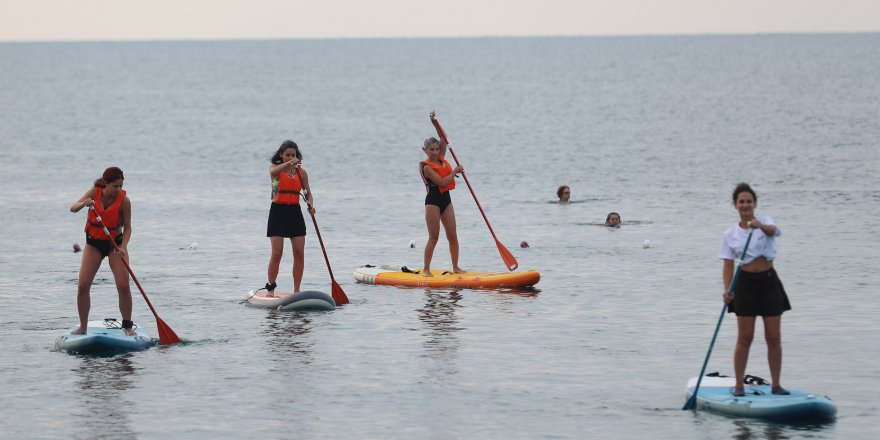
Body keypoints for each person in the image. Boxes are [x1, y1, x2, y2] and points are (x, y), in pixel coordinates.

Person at [720, 183, 791, 397]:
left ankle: (776, 385)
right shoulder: (730, 234)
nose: (745, 205)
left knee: (773, 337)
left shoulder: (766, 222)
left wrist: (758, 225)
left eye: (749, 201)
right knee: (745, 337)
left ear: (755, 204)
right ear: (735, 205)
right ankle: (739, 386)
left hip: (769, 281)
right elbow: (727, 264)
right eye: (741, 202)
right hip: (745, 284)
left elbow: (773, 231)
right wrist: (727, 290)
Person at [69, 167, 136, 336]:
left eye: (121, 186)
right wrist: (84, 204)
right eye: (115, 186)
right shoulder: (94, 192)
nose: (119, 190)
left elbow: (128, 228)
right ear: (106, 184)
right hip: (94, 244)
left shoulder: (124, 201)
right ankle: (83, 327)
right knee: (83, 286)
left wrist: (123, 247)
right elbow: (73, 208)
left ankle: (127, 326)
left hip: (116, 246)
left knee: (123, 285)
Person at [266, 140, 315, 296]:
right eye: (287, 155)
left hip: (295, 212)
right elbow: (272, 174)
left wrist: (311, 205)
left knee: (299, 252)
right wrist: (288, 164)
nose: (291, 158)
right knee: (277, 252)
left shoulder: (302, 173)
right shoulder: (275, 169)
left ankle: (297, 290)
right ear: (281, 155)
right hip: (278, 212)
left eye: (293, 155)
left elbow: (308, 193)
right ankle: (271, 289)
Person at [420, 111, 465, 277]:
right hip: (433, 202)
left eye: (437, 149)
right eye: (431, 149)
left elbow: (444, 138)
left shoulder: (441, 158)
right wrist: (455, 171)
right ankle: (426, 269)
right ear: (425, 150)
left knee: (453, 235)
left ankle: (456, 267)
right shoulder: (427, 167)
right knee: (434, 237)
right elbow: (443, 182)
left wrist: (434, 122)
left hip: (446, 200)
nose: (435, 152)